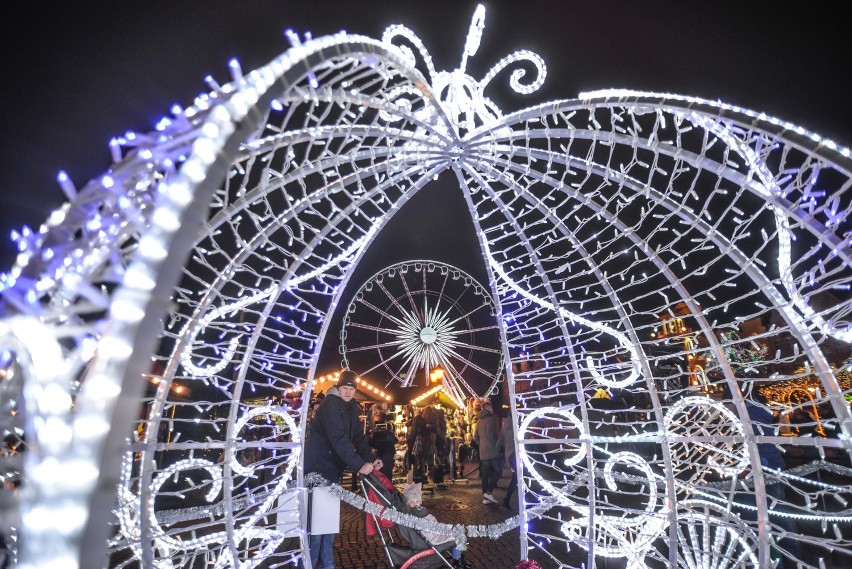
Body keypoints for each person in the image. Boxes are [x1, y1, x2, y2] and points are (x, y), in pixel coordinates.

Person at [303, 370, 383, 568]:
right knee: (317, 528)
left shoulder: (350, 407)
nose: (348, 392)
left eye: (351, 389)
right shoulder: (330, 404)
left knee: (327, 524)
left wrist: (371, 459)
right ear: (338, 388)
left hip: (331, 471)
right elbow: (339, 439)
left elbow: (358, 437)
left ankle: (326, 563)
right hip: (317, 470)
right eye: (345, 388)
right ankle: (314, 564)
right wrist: (359, 465)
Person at [474, 399, 501, 504]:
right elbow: (491, 435)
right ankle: (488, 492)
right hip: (491, 450)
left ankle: (485, 498)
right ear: (488, 408)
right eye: (491, 407)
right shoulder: (490, 419)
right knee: (498, 470)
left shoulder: (479, 420)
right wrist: (496, 446)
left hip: (482, 450)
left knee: (485, 474)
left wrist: (481, 444)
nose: (493, 409)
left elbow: (475, 437)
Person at [369, 410, 398, 480]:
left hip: (382, 454)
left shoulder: (376, 431)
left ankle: (386, 489)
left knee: (383, 474)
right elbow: (395, 440)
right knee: (387, 474)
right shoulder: (388, 429)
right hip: (388, 453)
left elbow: (372, 443)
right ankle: (388, 489)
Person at [496, 414, 517, 509]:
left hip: (510, 455)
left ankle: (507, 500)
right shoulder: (516, 425)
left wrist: (496, 453)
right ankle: (507, 500)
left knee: (516, 478)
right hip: (515, 455)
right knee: (518, 478)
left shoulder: (505, 426)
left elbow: (499, 441)